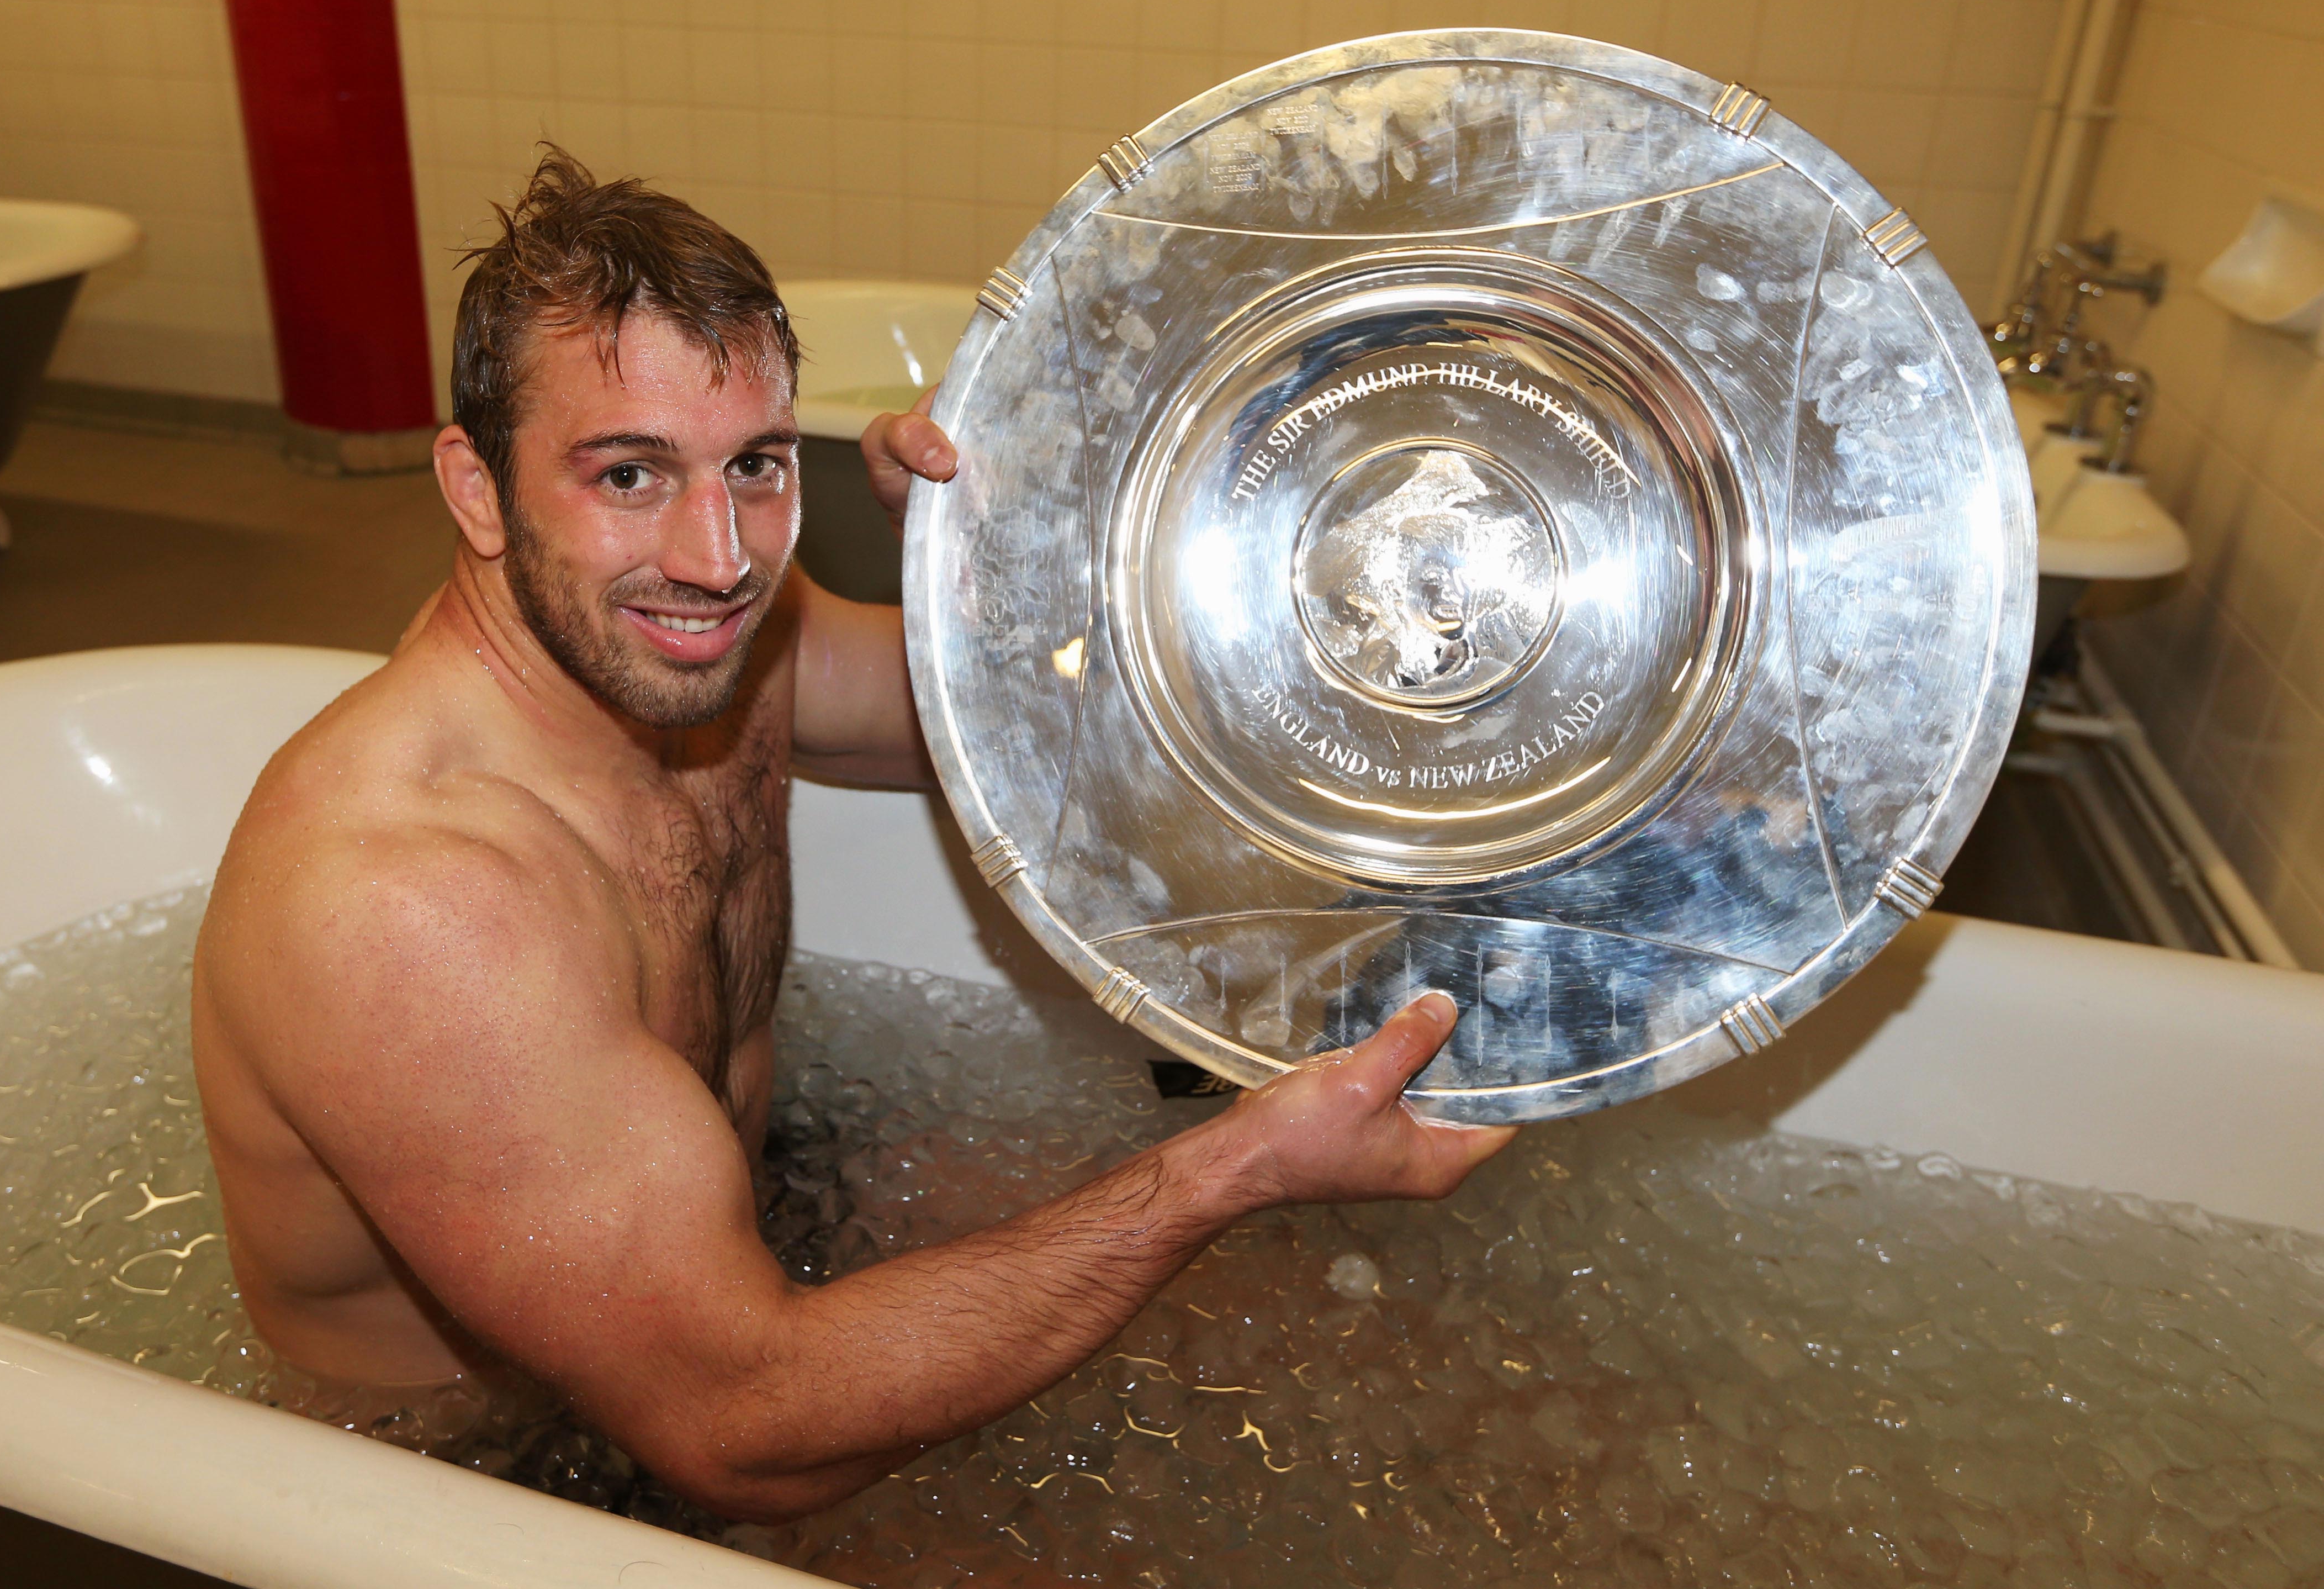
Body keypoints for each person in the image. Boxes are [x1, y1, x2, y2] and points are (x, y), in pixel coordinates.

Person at [190, 149, 1515, 1525]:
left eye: (754, 465)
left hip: (725, 1254)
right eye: (629, 474)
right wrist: (1229, 1165)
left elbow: (1043, 737)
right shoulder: (409, 902)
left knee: (1378, 1358)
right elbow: (741, 1427)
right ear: (475, 490)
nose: (718, 556)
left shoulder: (714, 644)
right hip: (490, 1476)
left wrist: (974, 557)